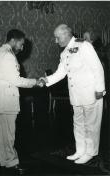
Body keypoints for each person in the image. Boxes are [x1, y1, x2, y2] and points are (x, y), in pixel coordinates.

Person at [39, 24, 106, 164]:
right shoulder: (64, 53)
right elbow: (60, 73)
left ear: (66, 34)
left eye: (57, 37)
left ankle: (90, 152)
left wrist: (100, 89)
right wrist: (46, 80)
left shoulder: (84, 46)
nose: (55, 41)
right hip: (76, 94)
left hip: (90, 92)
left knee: (91, 125)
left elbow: (97, 67)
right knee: (78, 124)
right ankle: (80, 150)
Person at [0, 29, 42, 174]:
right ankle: (12, 163)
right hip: (6, 100)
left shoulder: (2, 52)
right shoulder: (7, 56)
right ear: (13, 40)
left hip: (1, 99)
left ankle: (6, 161)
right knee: (9, 134)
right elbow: (15, 80)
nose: (22, 47)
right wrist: (35, 82)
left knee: (4, 135)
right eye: (21, 44)